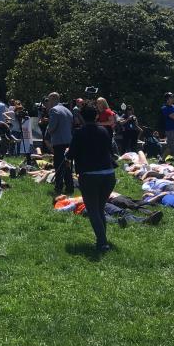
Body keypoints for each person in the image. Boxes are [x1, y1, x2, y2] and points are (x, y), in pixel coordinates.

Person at [67, 105, 117, 253]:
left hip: (89, 176)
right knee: (99, 208)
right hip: (109, 174)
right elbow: (110, 151)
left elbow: (71, 154)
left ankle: (102, 243)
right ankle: (102, 239)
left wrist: (67, 155)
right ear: (96, 116)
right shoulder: (104, 131)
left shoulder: (79, 132)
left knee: (93, 210)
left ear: (81, 117)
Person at [46, 93, 74, 196]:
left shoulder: (54, 110)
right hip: (68, 142)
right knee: (67, 166)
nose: (48, 102)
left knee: (58, 165)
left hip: (59, 142)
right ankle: (70, 187)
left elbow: (52, 127)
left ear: (53, 99)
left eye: (49, 100)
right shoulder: (68, 110)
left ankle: (58, 187)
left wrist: (47, 127)